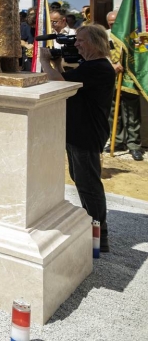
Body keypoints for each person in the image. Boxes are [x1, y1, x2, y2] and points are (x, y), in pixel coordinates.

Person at [39, 24, 114, 252]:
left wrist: (44, 62)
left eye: (80, 40)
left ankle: (98, 239)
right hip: (78, 132)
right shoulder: (90, 66)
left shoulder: (98, 67)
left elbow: (59, 84)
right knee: (81, 180)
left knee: (89, 185)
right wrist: (56, 64)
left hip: (86, 134)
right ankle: (94, 234)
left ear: (95, 42)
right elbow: (65, 80)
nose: (76, 44)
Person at [106, 10, 143, 160]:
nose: (113, 25)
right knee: (113, 112)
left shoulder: (132, 36)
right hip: (111, 77)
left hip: (129, 78)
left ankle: (134, 145)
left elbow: (141, 55)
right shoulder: (106, 35)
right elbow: (101, 53)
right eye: (110, 23)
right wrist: (112, 64)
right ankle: (116, 141)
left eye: (115, 23)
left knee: (132, 113)